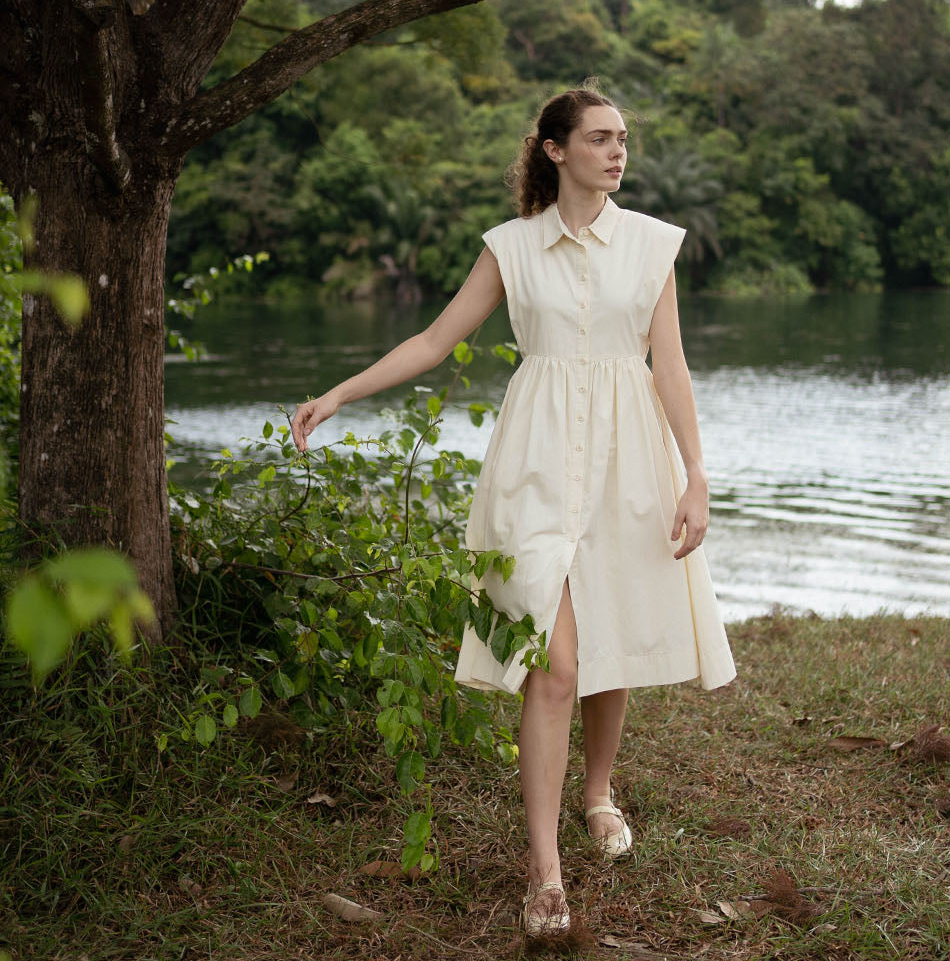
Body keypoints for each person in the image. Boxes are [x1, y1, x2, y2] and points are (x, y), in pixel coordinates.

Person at [292, 85, 736, 938]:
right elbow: (433, 341)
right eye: (601, 139)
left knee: (610, 640)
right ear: (556, 149)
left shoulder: (651, 245)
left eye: (624, 140)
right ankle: (544, 870)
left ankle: (598, 793)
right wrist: (340, 392)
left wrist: (696, 475)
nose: (618, 153)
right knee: (555, 662)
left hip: (629, 460)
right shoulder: (513, 247)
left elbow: (670, 367)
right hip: (533, 463)